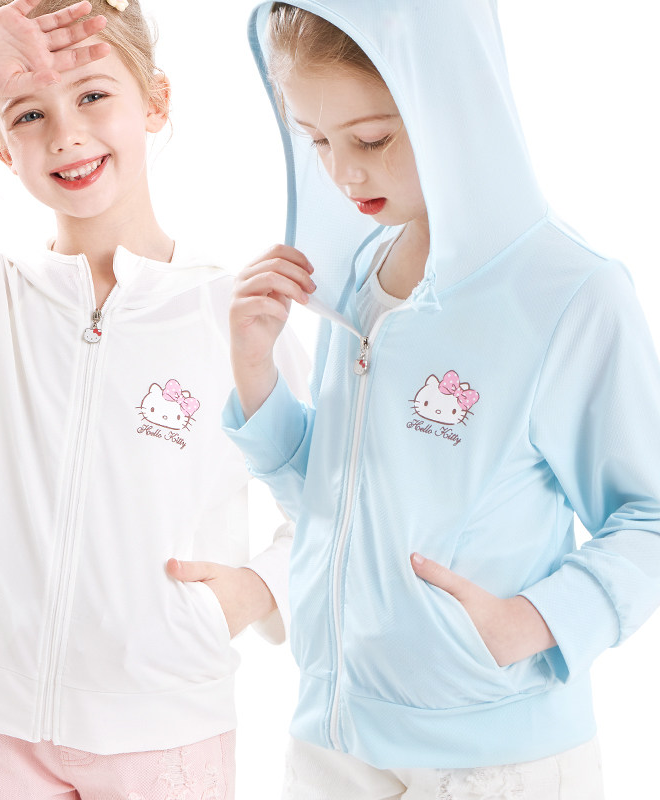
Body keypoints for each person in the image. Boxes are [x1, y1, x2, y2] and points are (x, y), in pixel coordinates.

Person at [0, 0, 307, 796]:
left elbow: (338, 498)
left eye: (94, 94)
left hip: (166, 730)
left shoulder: (238, 312)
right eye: (29, 113)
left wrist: (259, 589)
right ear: (0, 147)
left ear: (155, 101)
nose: (66, 133)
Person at [224, 1, 660, 797]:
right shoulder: (361, 276)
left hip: (495, 756)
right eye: (316, 141)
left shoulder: (569, 292)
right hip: (333, 739)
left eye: (371, 139)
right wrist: (257, 375)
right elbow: (338, 501)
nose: (344, 174)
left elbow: (649, 514)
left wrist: (537, 621)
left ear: (452, 102)